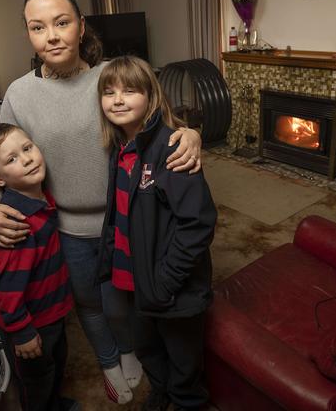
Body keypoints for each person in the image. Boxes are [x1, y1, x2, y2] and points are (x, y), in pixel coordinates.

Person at [0, 0, 203, 404]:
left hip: (125, 217)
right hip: (65, 225)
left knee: (129, 298)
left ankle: (129, 349)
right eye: (37, 27)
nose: (52, 35)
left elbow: (160, 120)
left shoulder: (110, 79)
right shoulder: (19, 94)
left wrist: (190, 134)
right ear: (28, 34)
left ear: (81, 27)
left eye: (62, 22)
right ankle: (108, 360)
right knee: (89, 301)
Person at [96, 56, 217, 411]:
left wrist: (164, 281)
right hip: (135, 283)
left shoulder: (172, 148)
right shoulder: (120, 150)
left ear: (151, 97)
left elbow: (197, 224)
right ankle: (160, 394)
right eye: (109, 92)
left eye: (129, 90)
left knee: (184, 367)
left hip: (170, 290)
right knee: (148, 349)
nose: (117, 99)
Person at [0, 123, 75, 411]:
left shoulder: (39, 199)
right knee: (37, 383)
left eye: (27, 148)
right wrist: (22, 333)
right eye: (12, 159)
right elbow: (6, 290)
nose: (28, 158)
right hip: (31, 323)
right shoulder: (17, 225)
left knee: (55, 367)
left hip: (52, 313)